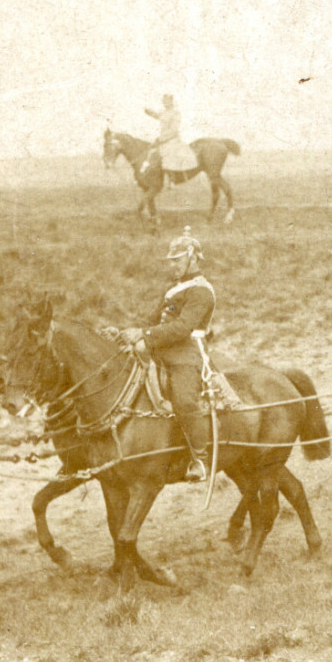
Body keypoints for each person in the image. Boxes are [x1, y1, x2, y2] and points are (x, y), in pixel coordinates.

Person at [118, 227, 215, 483]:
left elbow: (183, 328)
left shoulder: (201, 291)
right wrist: (125, 333)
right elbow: (152, 321)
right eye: (171, 261)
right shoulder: (174, 290)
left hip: (186, 353)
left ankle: (200, 459)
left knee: (184, 401)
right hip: (160, 350)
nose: (173, 266)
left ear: (193, 258)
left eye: (178, 260)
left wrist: (145, 335)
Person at [143, 94, 197, 180]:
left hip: (172, 138)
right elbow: (157, 116)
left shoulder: (175, 113)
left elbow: (174, 129)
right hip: (163, 138)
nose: (165, 103)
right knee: (151, 152)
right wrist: (149, 112)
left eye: (167, 101)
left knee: (169, 152)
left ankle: (173, 178)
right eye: (164, 101)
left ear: (171, 102)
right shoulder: (164, 112)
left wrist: (162, 138)